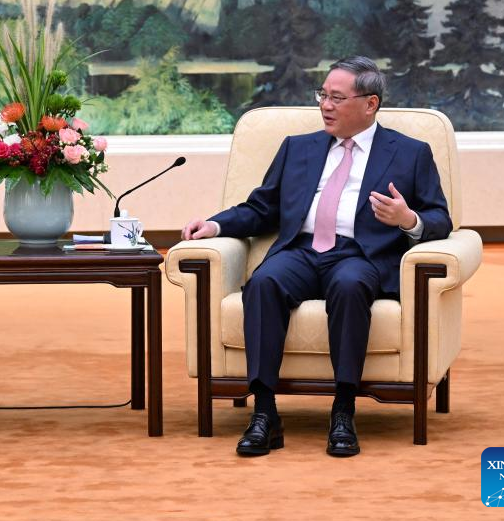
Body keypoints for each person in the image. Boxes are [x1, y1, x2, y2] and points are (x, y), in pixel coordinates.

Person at [182, 56, 450, 457]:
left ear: (370, 104)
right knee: (264, 282)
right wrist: (216, 225)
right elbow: (261, 208)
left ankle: (343, 411)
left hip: (360, 254)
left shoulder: (410, 153)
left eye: (337, 97)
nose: (325, 105)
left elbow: (440, 219)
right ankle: (264, 413)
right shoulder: (297, 148)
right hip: (302, 250)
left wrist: (407, 218)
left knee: (350, 285)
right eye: (322, 94)